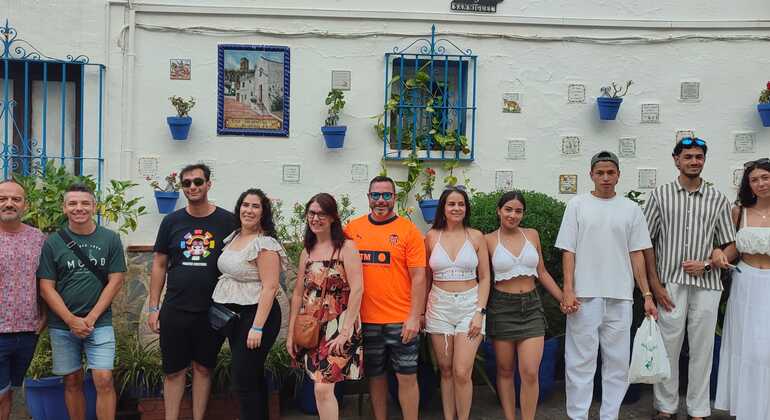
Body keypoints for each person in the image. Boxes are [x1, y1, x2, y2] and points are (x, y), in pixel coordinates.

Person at [555, 151, 657, 420]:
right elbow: (568, 251)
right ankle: (578, 416)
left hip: (620, 296)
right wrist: (568, 289)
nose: (605, 178)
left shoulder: (631, 209)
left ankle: (610, 415)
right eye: (600, 173)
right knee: (579, 362)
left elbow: (637, 253)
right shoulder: (577, 205)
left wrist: (646, 294)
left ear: (618, 175)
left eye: (610, 172)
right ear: (591, 175)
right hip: (584, 296)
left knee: (618, 363)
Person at [643, 138, 735, 420]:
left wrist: (707, 264)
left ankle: (698, 410)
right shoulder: (660, 195)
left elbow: (730, 245)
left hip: (708, 284)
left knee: (702, 349)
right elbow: (645, 243)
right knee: (668, 347)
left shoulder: (718, 198)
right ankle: (666, 407)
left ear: (704, 160)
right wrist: (654, 285)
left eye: (698, 157)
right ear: (676, 160)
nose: (694, 161)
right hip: (670, 283)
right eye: (688, 156)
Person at [146, 163, 236, 420]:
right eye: (186, 183)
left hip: (212, 309)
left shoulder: (228, 221)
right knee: (173, 371)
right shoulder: (171, 221)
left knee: (203, 369)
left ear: (209, 184)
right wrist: (153, 307)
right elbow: (159, 264)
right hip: (175, 308)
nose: (192, 187)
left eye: (198, 181)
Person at [37, 183, 126, 420]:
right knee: (72, 380)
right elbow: (46, 287)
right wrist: (71, 320)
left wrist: (91, 318)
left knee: (104, 379)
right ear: (64, 208)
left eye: (85, 203)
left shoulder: (110, 239)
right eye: (73, 203)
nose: (79, 208)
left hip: (100, 322)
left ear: (94, 207)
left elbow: (116, 280)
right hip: (62, 325)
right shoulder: (53, 242)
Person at [484, 190, 572, 420]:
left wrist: (563, 297)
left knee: (530, 372)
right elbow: (483, 278)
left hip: (532, 307)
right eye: (508, 210)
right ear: (499, 211)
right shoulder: (488, 240)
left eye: (518, 211)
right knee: (505, 371)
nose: (513, 215)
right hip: (502, 308)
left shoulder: (532, 234)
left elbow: (542, 272)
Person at [344, 176, 426, 420]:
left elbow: (419, 278)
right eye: (376, 195)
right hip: (366, 320)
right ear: (368, 198)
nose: (381, 200)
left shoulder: (409, 231)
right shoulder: (352, 230)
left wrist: (414, 317)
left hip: (401, 321)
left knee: (406, 376)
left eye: (387, 195)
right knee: (376, 376)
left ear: (395, 198)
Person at [211, 188, 286, 420]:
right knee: (252, 376)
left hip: (257, 315)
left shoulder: (265, 244)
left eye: (255, 206)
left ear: (264, 212)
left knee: (243, 379)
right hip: (236, 316)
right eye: (245, 205)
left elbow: (270, 287)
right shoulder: (234, 237)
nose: (249, 210)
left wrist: (257, 327)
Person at [288, 193, 364, 420]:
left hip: (339, 326)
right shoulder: (307, 251)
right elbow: (298, 293)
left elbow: (357, 289)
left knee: (323, 388)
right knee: (319, 388)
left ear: (333, 217)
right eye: (311, 213)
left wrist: (345, 332)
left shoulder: (347, 247)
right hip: (312, 327)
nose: (315, 218)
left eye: (322, 214)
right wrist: (291, 332)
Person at [424, 186, 490, 420]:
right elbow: (426, 278)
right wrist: (421, 312)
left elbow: (485, 277)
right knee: (446, 370)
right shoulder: (431, 237)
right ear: (443, 208)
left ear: (466, 208)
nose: (456, 208)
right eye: (451, 204)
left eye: (461, 204)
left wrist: (480, 311)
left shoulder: (476, 236)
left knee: (462, 371)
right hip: (438, 307)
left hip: (470, 306)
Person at [714, 157, 770, 420]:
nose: (761, 183)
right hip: (745, 285)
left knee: (766, 350)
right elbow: (733, 248)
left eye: (765, 177)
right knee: (748, 349)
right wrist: (716, 255)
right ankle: (749, 409)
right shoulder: (739, 212)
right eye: (754, 179)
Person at [0, 180, 46, 420]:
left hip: (28, 331)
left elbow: (47, 281)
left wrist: (45, 316)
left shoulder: (38, 239)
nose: (9, 204)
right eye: (2, 199)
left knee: (9, 392)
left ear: (25, 205)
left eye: (16, 199)